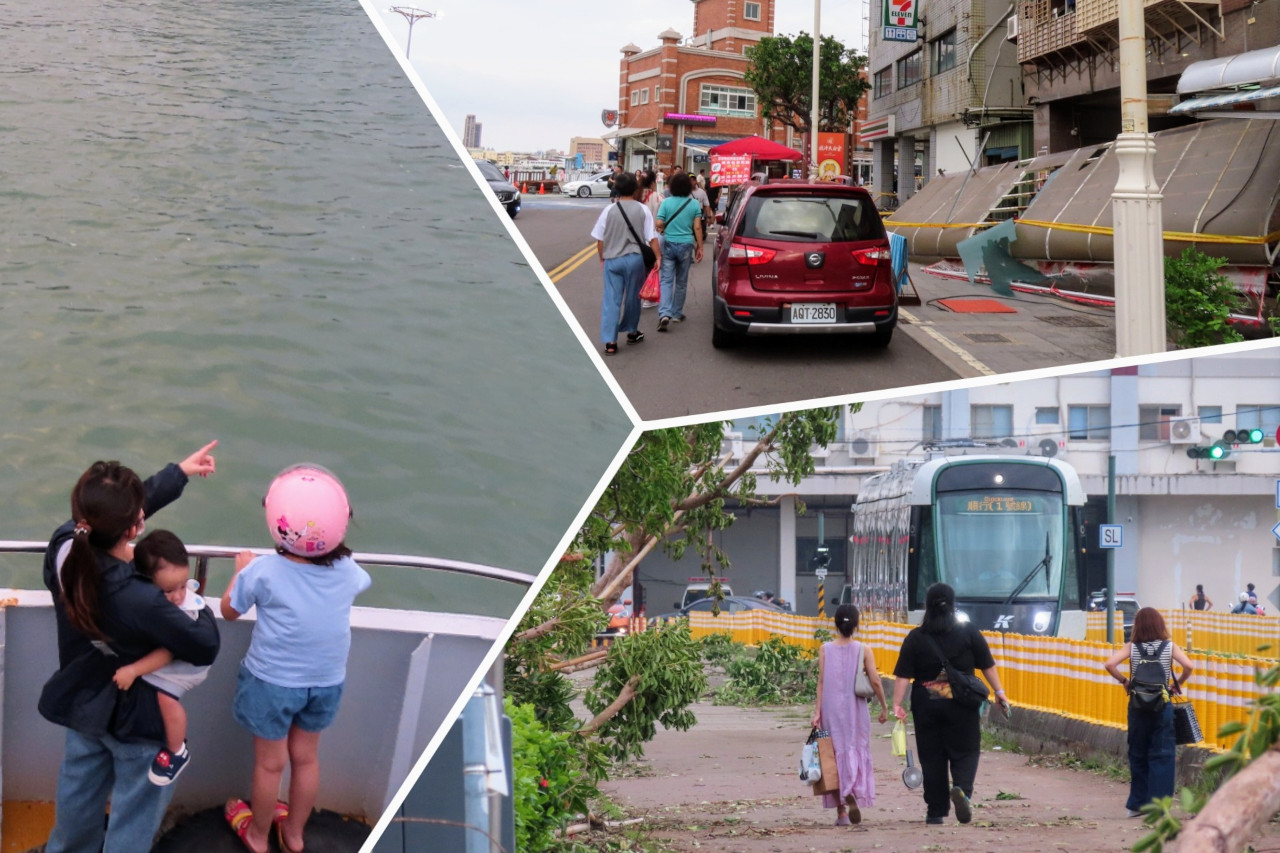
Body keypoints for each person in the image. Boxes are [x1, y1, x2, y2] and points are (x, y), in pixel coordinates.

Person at [40, 444, 221, 853]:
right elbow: (204, 645)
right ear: (133, 529)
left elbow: (110, 517)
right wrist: (193, 598)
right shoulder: (139, 599)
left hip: (84, 702)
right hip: (137, 722)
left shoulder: (65, 547)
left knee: (76, 802)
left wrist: (178, 474)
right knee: (133, 814)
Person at [222, 465, 372, 853]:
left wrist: (239, 573)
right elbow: (358, 582)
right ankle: (294, 835)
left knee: (270, 765)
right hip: (324, 682)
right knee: (306, 760)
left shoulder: (263, 571)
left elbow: (229, 611)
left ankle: (257, 836)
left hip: (271, 682)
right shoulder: (348, 571)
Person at [892, 583, 1011, 825]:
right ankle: (962, 791)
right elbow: (987, 665)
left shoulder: (916, 637)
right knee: (966, 751)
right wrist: (1000, 693)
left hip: (926, 704)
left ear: (927, 606)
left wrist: (897, 705)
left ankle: (935, 811)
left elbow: (903, 675)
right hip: (961, 703)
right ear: (953, 605)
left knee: (932, 756)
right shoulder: (968, 632)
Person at [111, 530, 213, 786]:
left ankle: (177, 750)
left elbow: (167, 654)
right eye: (169, 590)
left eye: (182, 586)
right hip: (176, 656)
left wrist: (133, 670)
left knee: (165, 697)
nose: (179, 596)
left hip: (187, 666)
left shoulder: (180, 615)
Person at [1104, 607, 1193, 817]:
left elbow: (1109, 664)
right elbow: (1189, 665)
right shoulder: (1169, 646)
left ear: (1138, 626)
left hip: (1137, 705)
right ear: (1160, 625)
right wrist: (1176, 684)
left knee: (1138, 753)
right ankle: (1160, 807)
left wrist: (1125, 681)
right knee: (1162, 754)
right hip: (1161, 705)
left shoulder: (1132, 647)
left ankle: (1136, 805)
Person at [811, 604, 888, 826]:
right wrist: (884, 706)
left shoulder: (825, 649)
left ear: (835, 624)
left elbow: (821, 682)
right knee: (853, 749)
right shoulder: (863, 649)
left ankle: (841, 812)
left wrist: (817, 712)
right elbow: (874, 680)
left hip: (830, 710)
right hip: (855, 711)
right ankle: (852, 789)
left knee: (832, 755)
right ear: (856, 625)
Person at [589, 171, 659, 355]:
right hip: (635, 259)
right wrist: (658, 258)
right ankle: (632, 332)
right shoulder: (642, 209)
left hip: (613, 259)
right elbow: (651, 238)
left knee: (611, 299)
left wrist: (602, 258)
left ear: (616, 189)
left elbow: (600, 239)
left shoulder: (608, 210)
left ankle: (611, 342)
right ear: (635, 189)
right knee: (633, 297)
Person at [655, 172, 703, 331]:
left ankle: (664, 313)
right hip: (686, 245)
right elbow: (697, 227)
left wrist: (662, 228)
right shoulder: (694, 204)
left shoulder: (666, 202)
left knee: (666, 280)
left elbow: (659, 222)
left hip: (669, 244)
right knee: (681, 281)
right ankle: (676, 313)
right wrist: (700, 247)